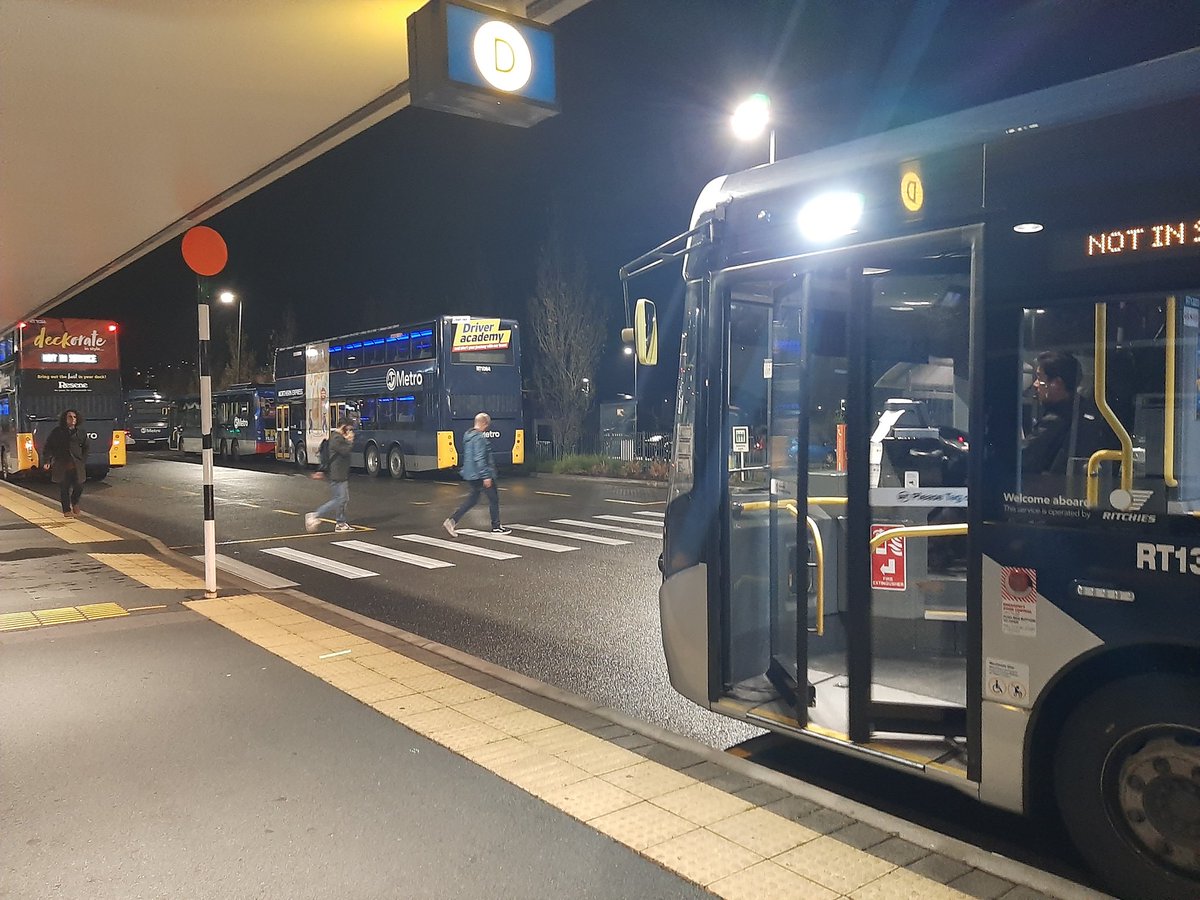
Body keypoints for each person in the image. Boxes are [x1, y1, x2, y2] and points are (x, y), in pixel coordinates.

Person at [443, 412, 510, 537]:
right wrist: (486, 476)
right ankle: (496, 526)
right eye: (487, 425)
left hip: (471, 474)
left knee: (472, 499)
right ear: (484, 423)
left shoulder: (468, 436)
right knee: (493, 499)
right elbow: (480, 458)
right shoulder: (479, 438)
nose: (487, 428)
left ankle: (452, 521)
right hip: (481, 474)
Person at [1021, 349, 1080, 474]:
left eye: (1039, 378)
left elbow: (1022, 460)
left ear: (1057, 383)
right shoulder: (1082, 412)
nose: (1036, 384)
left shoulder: (1054, 422)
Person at [305, 417, 354, 533]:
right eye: (349, 429)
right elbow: (345, 451)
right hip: (337, 474)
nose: (350, 432)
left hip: (340, 473)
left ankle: (340, 523)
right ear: (343, 427)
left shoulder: (337, 437)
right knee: (339, 499)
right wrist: (350, 441)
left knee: (344, 499)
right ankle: (315, 515)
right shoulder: (337, 438)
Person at [42, 409, 88, 517]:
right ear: (65, 419)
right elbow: (48, 447)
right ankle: (66, 510)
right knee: (64, 488)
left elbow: (86, 447)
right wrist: (47, 461)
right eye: (70, 417)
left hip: (77, 465)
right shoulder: (57, 432)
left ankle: (75, 501)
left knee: (79, 486)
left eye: (74, 417)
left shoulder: (80, 432)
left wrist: (83, 460)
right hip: (62, 464)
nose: (72, 419)